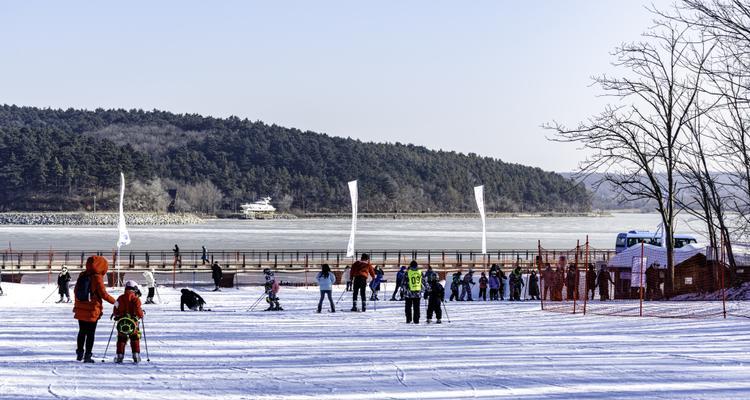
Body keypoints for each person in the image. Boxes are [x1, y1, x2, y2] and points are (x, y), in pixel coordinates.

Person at [73, 255, 116, 363]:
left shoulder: (82, 275)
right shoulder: (97, 277)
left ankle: (79, 353)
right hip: (92, 309)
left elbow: (76, 291)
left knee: (82, 331)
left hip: (80, 308)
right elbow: (104, 294)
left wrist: (79, 303)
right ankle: (87, 356)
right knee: (90, 333)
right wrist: (115, 302)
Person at [112, 280, 144, 363]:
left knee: (121, 339)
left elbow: (115, 311)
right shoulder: (135, 299)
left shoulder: (120, 298)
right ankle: (136, 355)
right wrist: (141, 315)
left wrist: (116, 315)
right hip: (133, 324)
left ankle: (120, 356)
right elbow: (138, 312)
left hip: (122, 323)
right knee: (135, 338)